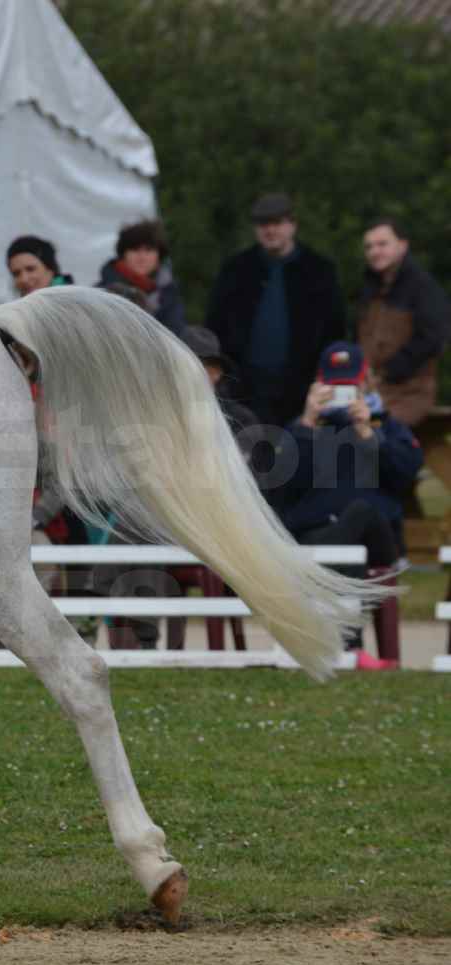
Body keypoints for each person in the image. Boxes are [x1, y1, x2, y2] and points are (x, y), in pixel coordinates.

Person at [274, 342, 421, 669]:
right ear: (318, 383)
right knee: (344, 540)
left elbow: (406, 475)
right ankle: (351, 649)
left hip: (376, 539)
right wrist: (307, 424)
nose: (343, 395)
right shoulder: (302, 429)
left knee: (360, 514)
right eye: (334, 386)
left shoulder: (387, 426)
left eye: (348, 386)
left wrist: (369, 433)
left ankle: (345, 646)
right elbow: (282, 485)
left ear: (366, 381)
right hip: (317, 538)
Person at [205, 193, 346, 427]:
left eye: (277, 223)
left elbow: (334, 331)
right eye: (263, 224)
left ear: (292, 225)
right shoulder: (235, 270)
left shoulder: (320, 271)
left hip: (301, 391)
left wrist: (322, 381)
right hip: (244, 390)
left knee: (298, 455)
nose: (270, 230)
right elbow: (215, 326)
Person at [356, 218, 450, 428]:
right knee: (327, 428)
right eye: (369, 246)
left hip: (410, 394)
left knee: (374, 435)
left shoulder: (423, 287)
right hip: (368, 391)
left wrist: (390, 370)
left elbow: (434, 338)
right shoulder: (370, 288)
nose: (374, 251)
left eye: (382, 244)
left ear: (402, 245)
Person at [97, 220, 187, 335]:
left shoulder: (170, 293)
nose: (142, 257)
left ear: (159, 255)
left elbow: (177, 333)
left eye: (149, 250)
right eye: (135, 250)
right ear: (123, 254)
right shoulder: (101, 292)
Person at [6, 236, 72, 297]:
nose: (24, 279)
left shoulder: (72, 304)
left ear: (50, 269)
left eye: (30, 269)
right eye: (16, 274)